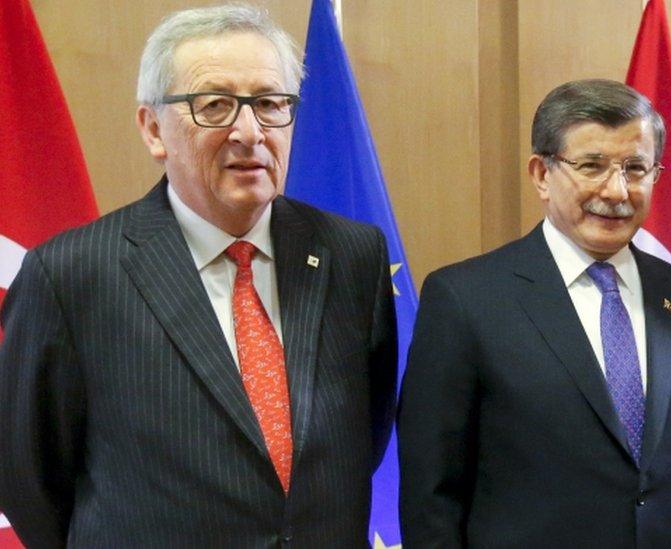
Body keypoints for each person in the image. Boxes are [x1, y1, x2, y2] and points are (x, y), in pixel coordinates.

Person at [0, 4, 397, 546]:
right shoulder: (70, 274)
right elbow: (30, 479)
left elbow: (363, 436)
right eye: (215, 105)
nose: (250, 131)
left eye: (269, 103)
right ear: (153, 129)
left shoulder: (352, 255)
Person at [398, 79, 671, 548]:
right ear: (541, 174)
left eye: (636, 168)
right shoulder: (466, 299)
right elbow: (431, 494)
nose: (616, 190)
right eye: (592, 166)